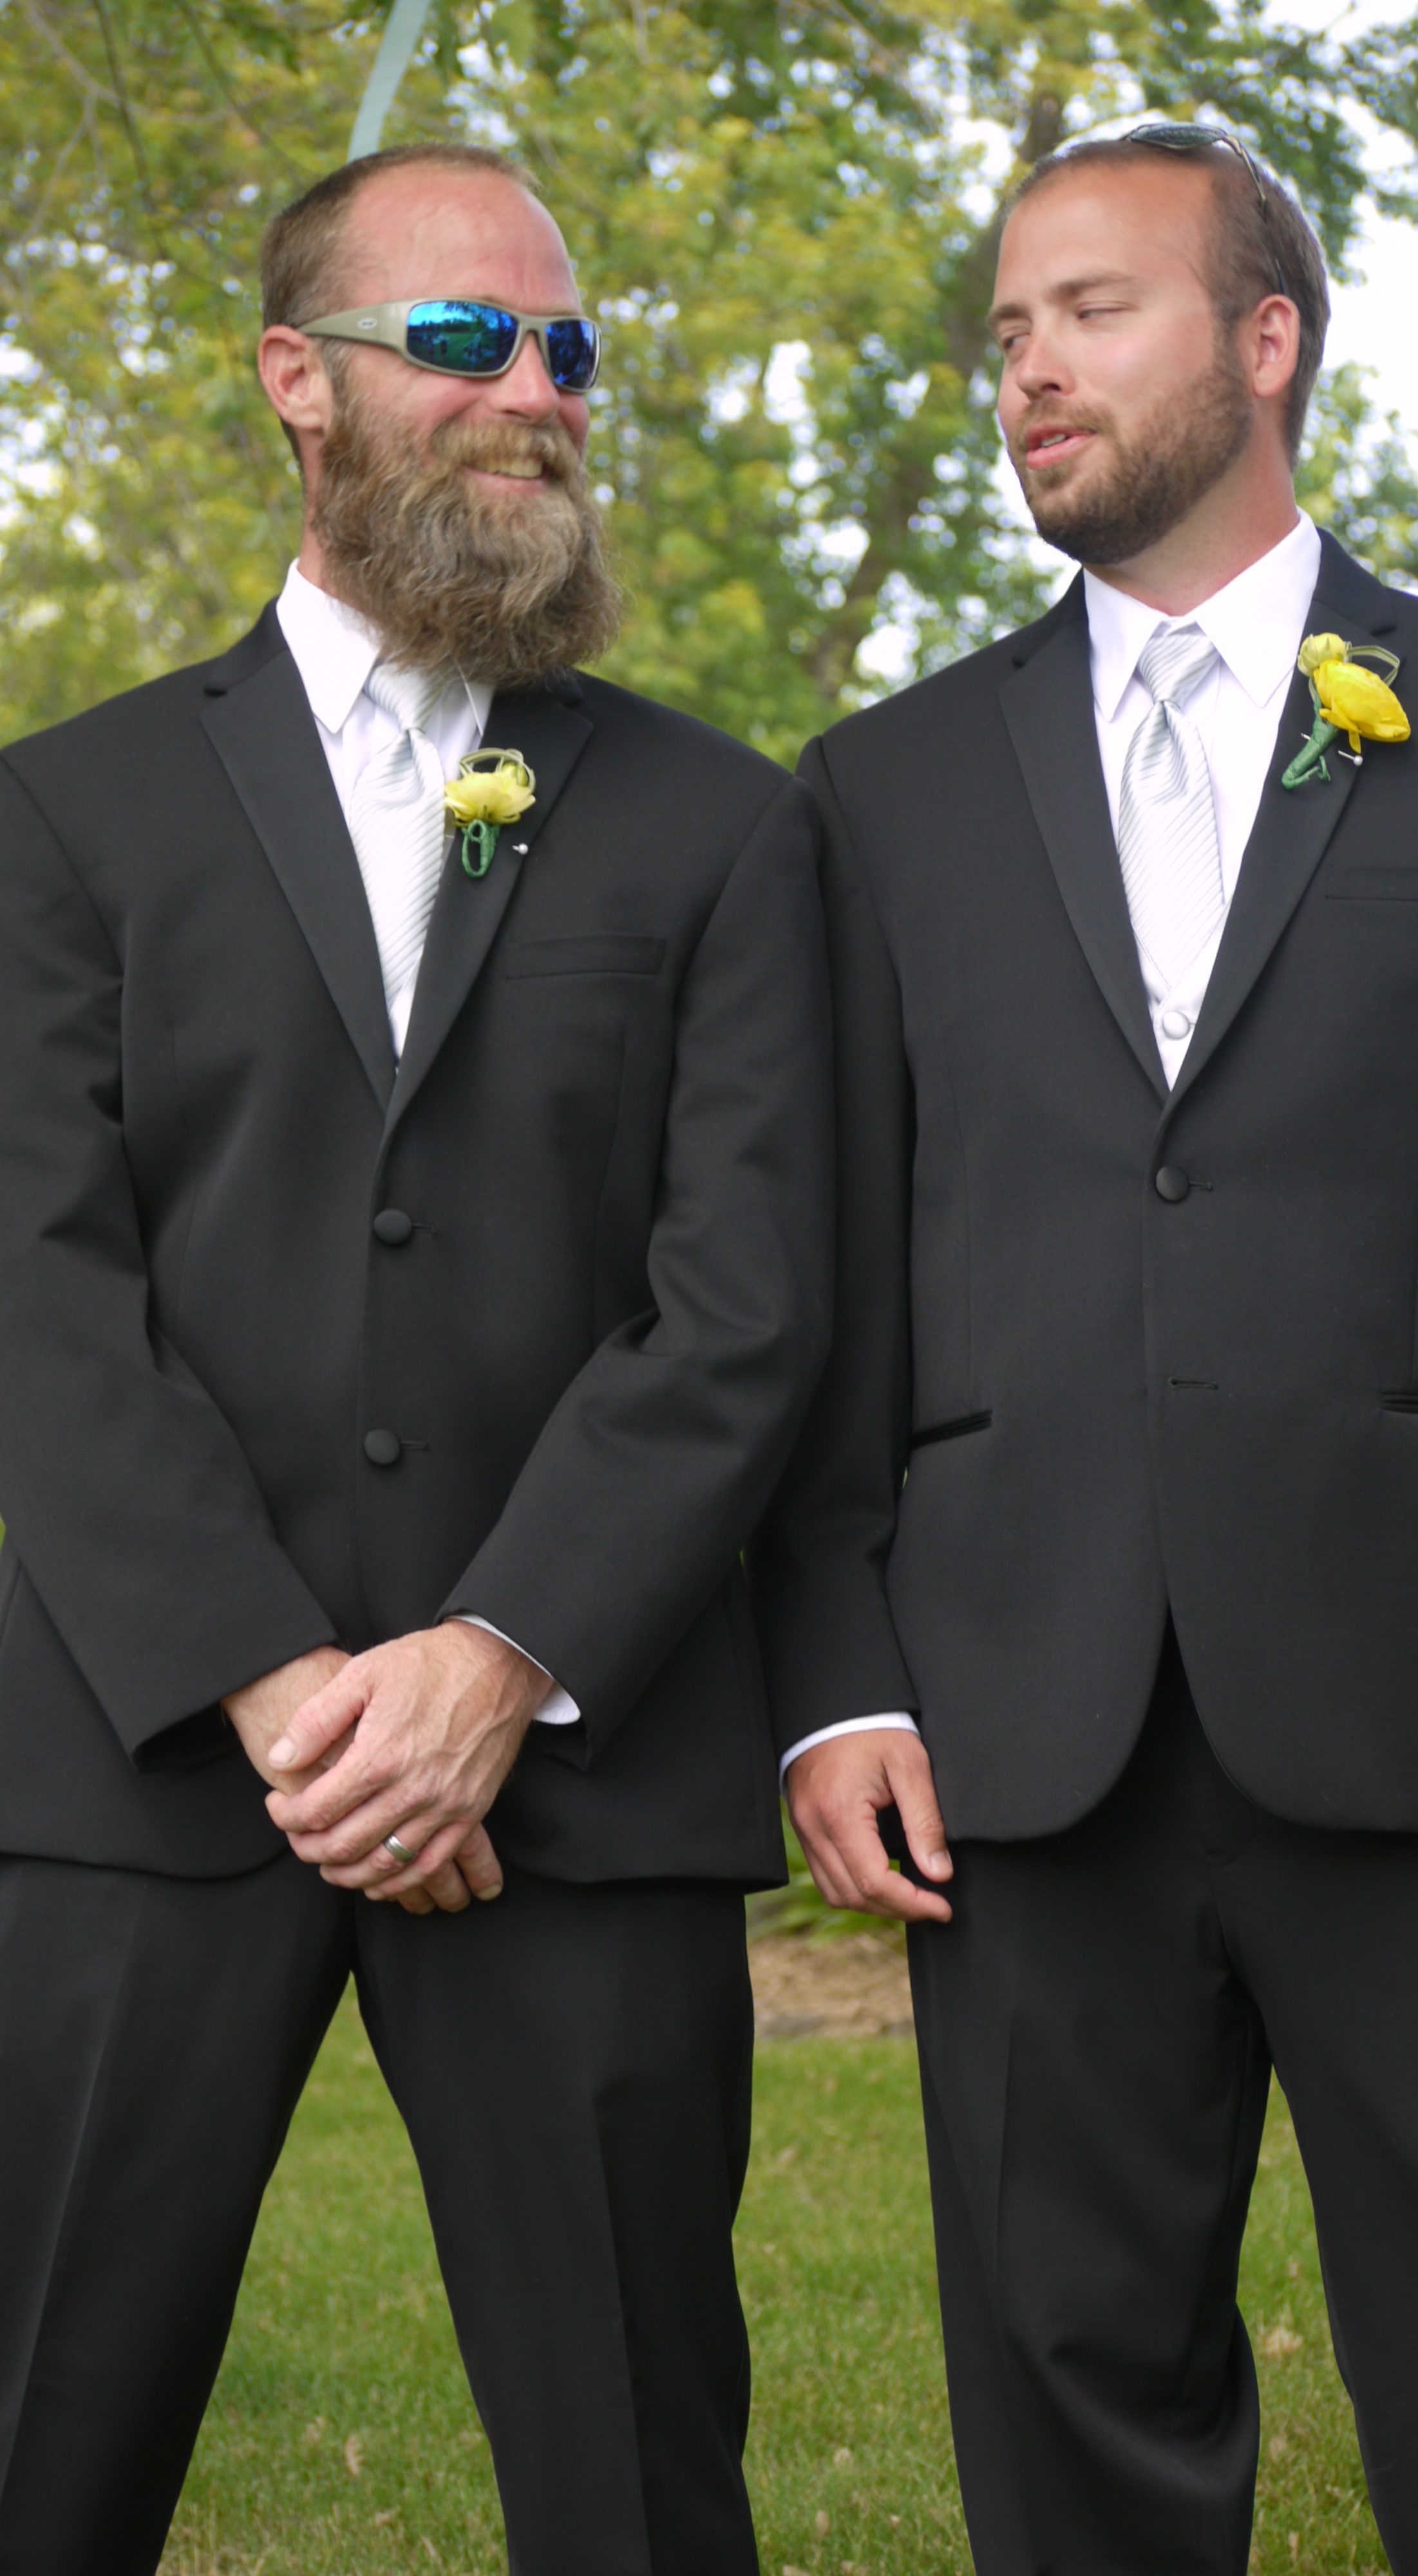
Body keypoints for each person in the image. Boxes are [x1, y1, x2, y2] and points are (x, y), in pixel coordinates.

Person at [753, 127, 1418, 2576]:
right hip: (1018, 1737)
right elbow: (830, 1275)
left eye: (1092, 311)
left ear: (1267, 341)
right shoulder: (878, 794)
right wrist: (836, 1683)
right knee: (1067, 2396)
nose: (1031, 370)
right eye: (1007, 333)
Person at [0, 141, 829, 2575]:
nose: (535, 391)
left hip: (576, 1774)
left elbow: (746, 1294)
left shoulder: (720, 826)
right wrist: (281, 1690)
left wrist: (496, 1660)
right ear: (300, 380)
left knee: (640, 2486)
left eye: (568, 348)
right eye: (466, 339)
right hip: (154, 1767)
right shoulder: (65, 814)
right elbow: (40, 1288)